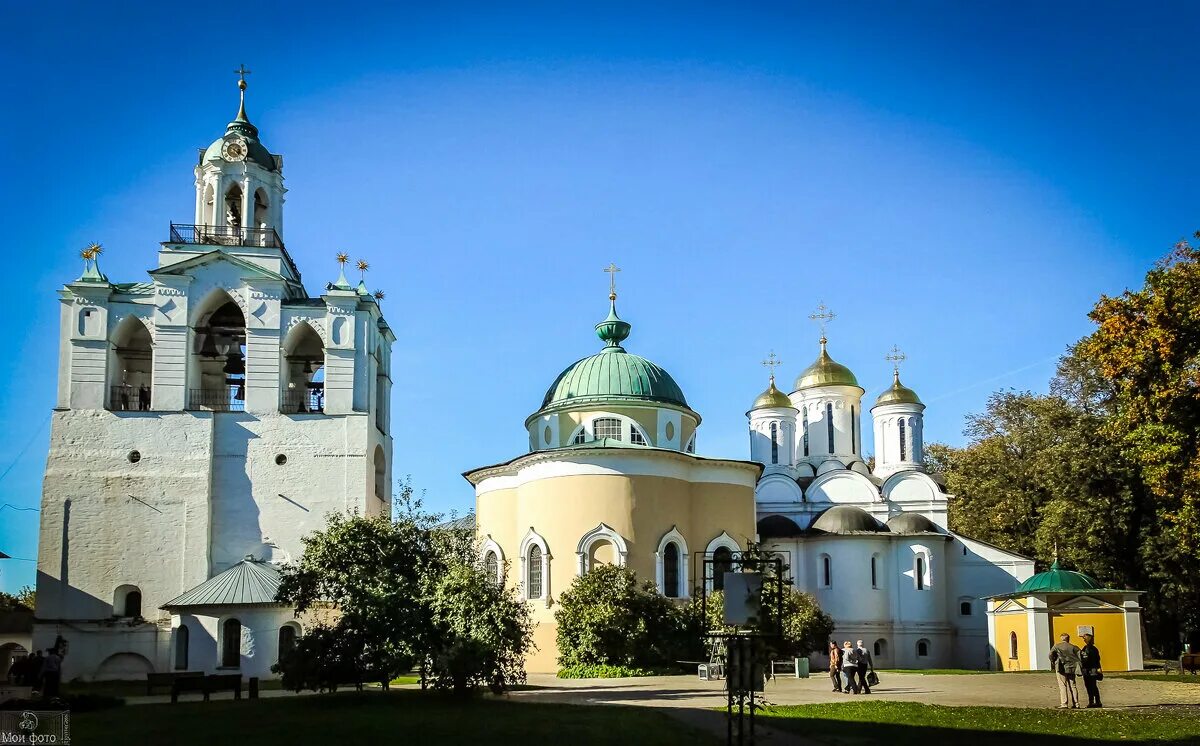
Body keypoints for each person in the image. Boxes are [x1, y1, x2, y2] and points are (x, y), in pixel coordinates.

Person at [1048, 632, 1082, 708]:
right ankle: (1076, 703)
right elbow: (1080, 655)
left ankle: (1064, 703)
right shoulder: (1073, 647)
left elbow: (1050, 654)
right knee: (1073, 685)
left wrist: (1053, 661)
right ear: (1068, 639)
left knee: (1063, 685)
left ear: (1061, 638)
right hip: (1072, 667)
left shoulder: (1056, 646)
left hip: (1061, 667)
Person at [1080, 634, 1103, 708]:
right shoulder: (1094, 649)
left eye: (1084, 638)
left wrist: (1082, 666)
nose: (1083, 639)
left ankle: (1091, 702)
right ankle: (1097, 701)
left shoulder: (1087, 649)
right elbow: (1097, 659)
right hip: (1093, 669)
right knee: (1094, 686)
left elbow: (1085, 659)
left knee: (1089, 686)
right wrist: (1098, 668)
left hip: (1088, 670)